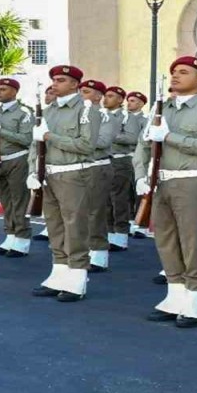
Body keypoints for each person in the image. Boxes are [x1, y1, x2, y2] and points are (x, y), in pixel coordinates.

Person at [135, 56, 197, 327]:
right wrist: (141, 176)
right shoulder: (161, 108)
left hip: (191, 180)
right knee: (165, 239)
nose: (175, 76)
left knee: (193, 241)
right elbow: (142, 146)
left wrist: (169, 137)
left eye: (183, 72)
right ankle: (175, 295)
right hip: (160, 181)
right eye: (174, 71)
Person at [31, 66, 100, 301]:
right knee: (54, 224)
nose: (54, 84)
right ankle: (59, 271)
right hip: (49, 174)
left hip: (73, 173)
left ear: (74, 84)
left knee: (75, 225)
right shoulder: (49, 111)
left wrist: (50, 137)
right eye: (53, 80)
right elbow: (35, 146)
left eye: (61, 80)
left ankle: (78, 275)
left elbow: (85, 145)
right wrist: (33, 171)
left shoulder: (86, 110)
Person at [79, 79, 117, 273]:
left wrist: (75, 141)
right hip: (78, 167)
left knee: (95, 211)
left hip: (97, 166)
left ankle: (99, 252)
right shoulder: (78, 114)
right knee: (79, 212)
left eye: (85, 92)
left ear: (97, 96)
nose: (81, 95)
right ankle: (82, 251)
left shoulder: (105, 116)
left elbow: (103, 141)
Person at [0, 78, 34, 258]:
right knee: (6, 201)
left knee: (19, 200)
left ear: (14, 92)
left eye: (3, 89)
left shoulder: (24, 112)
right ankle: (10, 236)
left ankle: (22, 239)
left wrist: (0, 130)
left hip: (17, 159)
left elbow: (26, 139)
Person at [104, 85, 136, 253]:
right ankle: (109, 233)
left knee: (119, 198)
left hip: (120, 160)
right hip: (104, 160)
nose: (105, 99)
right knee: (106, 200)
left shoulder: (126, 117)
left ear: (119, 99)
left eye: (110, 96)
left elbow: (132, 138)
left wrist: (108, 136)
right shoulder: (101, 115)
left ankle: (121, 235)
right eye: (105, 96)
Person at [123, 91, 151, 241]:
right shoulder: (122, 118)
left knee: (139, 191)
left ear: (141, 103)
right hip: (122, 159)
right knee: (125, 192)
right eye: (129, 100)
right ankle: (128, 220)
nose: (129, 103)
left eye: (133, 101)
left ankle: (141, 225)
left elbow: (140, 140)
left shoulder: (145, 119)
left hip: (137, 158)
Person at [32, 84, 58, 244]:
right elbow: (34, 144)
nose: (47, 96)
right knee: (50, 202)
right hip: (46, 160)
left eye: (51, 93)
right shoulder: (43, 115)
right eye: (47, 93)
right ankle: (50, 228)